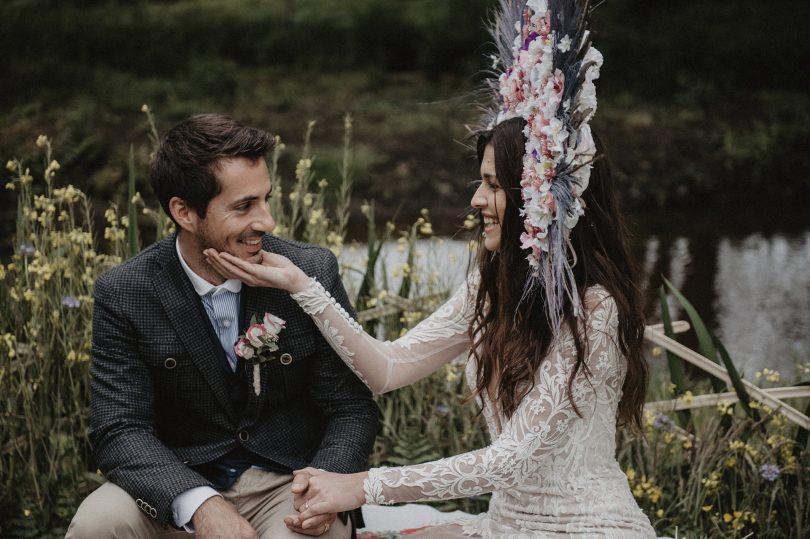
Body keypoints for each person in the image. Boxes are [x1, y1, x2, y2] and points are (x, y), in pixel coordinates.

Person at [205, 116, 656, 538]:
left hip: (587, 526)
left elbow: (509, 462)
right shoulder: (491, 287)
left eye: (493, 185)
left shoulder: (595, 309)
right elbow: (387, 369)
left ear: (540, 199)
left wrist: (364, 486)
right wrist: (303, 286)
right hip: (504, 526)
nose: (477, 199)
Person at [66, 114, 379, 539]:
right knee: (96, 523)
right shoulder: (125, 291)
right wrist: (199, 503)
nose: (267, 222)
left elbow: (350, 406)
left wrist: (328, 482)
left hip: (290, 480)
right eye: (244, 206)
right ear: (185, 212)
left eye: (266, 199)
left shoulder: (308, 271)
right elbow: (119, 427)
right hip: (176, 476)